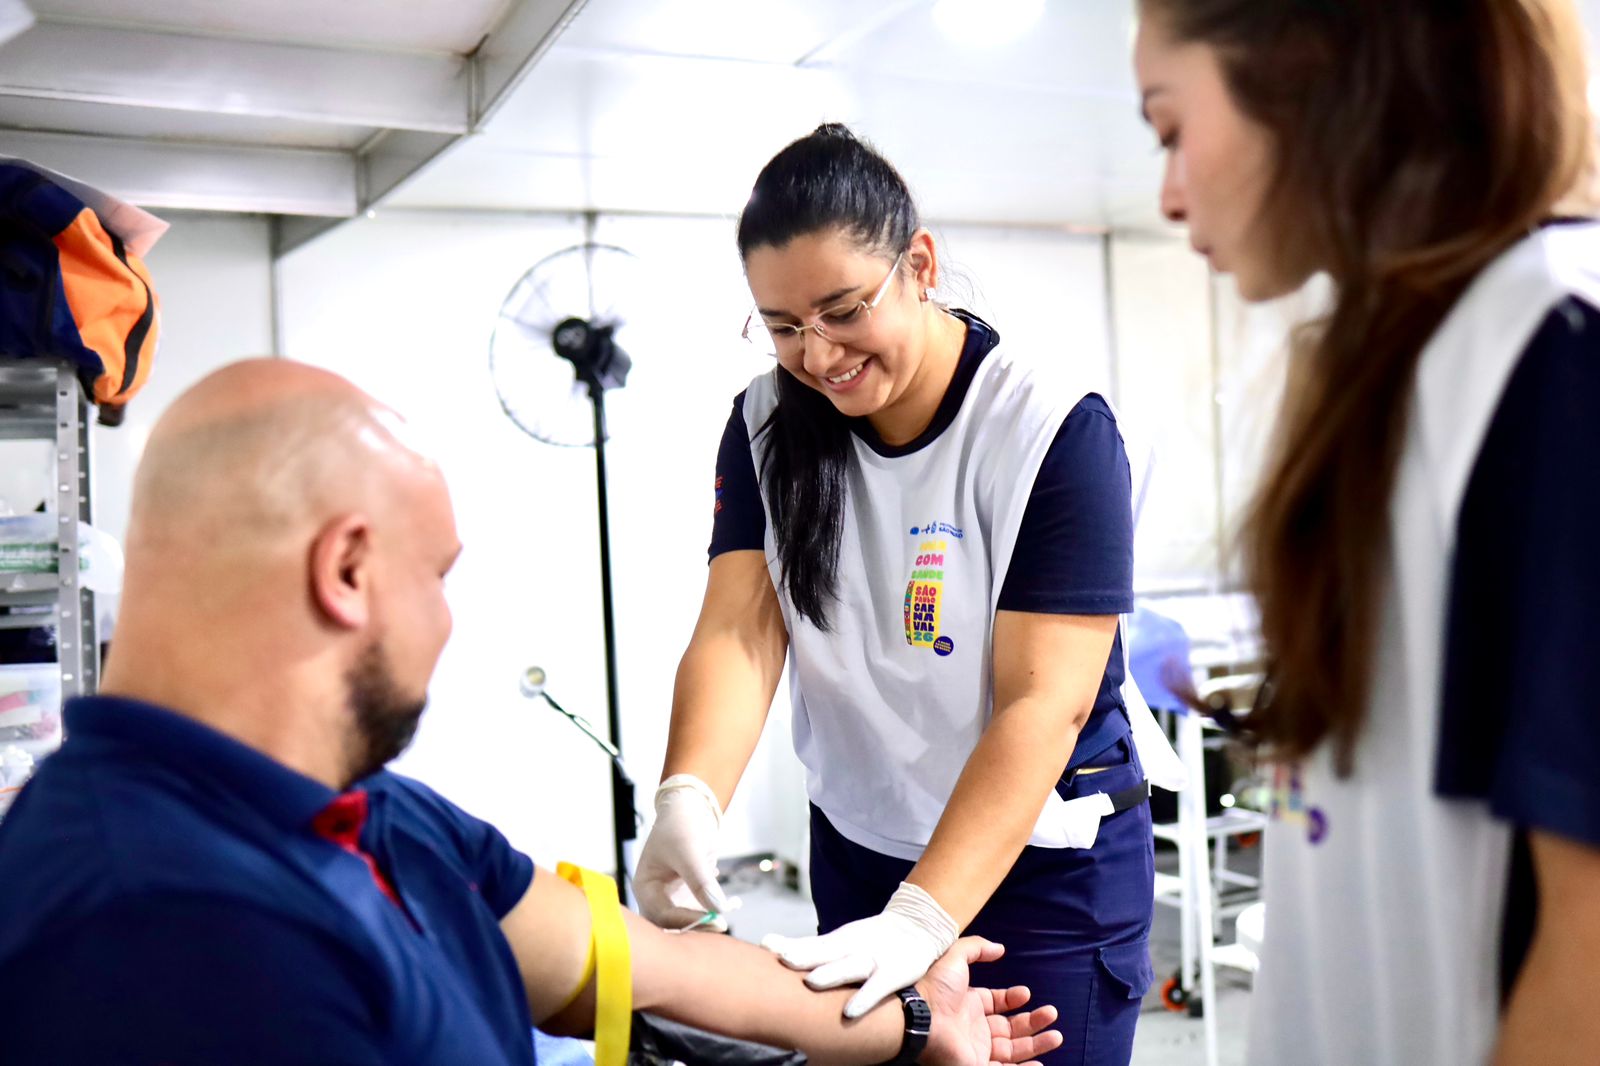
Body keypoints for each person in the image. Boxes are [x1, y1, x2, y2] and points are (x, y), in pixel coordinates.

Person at [0, 359, 1063, 1066]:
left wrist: (919, 1017)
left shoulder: (384, 819)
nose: (449, 627)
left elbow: (654, 964)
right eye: (440, 576)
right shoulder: (160, 925)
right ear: (350, 569)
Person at [634, 125, 1183, 1066]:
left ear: (918, 265)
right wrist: (689, 793)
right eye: (782, 326)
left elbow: (1042, 705)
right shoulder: (767, 424)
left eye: (843, 310)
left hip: (1041, 868)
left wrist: (921, 920)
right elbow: (738, 631)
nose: (818, 354)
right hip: (861, 840)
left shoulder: (1047, 429)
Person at [1133, 2, 1600, 1064]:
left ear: (1309, 74)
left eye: (1169, 128)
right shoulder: (1396, 359)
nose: (1165, 193)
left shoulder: (1550, 347)